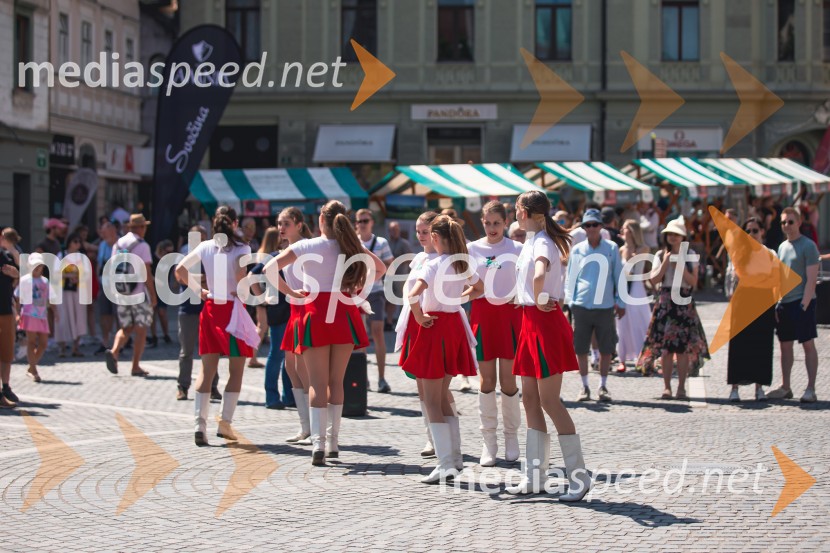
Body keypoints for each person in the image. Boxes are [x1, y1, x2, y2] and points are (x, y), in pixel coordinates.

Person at [264, 200, 386, 465]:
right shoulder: (352, 245)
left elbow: (268, 268)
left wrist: (290, 293)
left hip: (314, 312)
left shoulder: (307, 245)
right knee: (336, 383)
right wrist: (356, 289)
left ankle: (318, 444)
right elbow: (381, 268)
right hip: (342, 311)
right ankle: (332, 442)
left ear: (321, 219)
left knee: (317, 384)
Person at [507, 190, 589, 500]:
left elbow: (539, 274)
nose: (515, 214)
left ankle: (579, 477)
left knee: (549, 400)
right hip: (531, 321)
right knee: (529, 398)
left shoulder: (541, 242)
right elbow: (532, 279)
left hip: (545, 323)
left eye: (516, 210)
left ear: (525, 213)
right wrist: (526, 297)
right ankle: (535, 477)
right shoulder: (532, 240)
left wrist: (538, 296)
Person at [402, 215, 482, 483]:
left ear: (435, 238)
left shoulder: (433, 263)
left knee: (432, 400)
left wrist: (420, 316)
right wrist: (459, 298)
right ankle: (455, 457)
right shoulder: (461, 263)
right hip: (453, 328)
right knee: (443, 395)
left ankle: (445, 462)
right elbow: (479, 288)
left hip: (434, 328)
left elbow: (413, 295)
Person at [176, 206, 259, 446]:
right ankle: (225, 423)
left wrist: (200, 291)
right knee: (236, 369)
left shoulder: (204, 246)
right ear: (235, 223)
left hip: (211, 307)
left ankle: (198, 425)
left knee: (206, 370)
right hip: (232, 309)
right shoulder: (243, 248)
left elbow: (180, 269)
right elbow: (241, 277)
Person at [395, 211, 461, 459]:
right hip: (416, 321)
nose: (421, 236)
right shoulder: (420, 258)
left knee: (438, 388)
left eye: (425, 232)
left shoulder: (442, 260)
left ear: (435, 234)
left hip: (432, 321)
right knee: (423, 387)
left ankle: (447, 447)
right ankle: (434, 438)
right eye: (418, 231)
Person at [467, 201, 523, 466]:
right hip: (483, 318)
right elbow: (467, 284)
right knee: (486, 382)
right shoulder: (471, 249)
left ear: (505, 222)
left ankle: (512, 437)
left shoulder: (518, 249)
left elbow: (528, 283)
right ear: (482, 222)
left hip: (511, 319)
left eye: (497, 223)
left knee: (509, 383)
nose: (492, 228)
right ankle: (489, 442)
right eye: (487, 223)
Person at [637, 216, 710, 400]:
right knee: (666, 349)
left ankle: (682, 388)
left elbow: (693, 282)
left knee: (682, 348)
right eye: (670, 234)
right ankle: (667, 387)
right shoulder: (661, 255)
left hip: (683, 300)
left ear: (683, 237)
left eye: (676, 234)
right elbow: (652, 280)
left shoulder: (690, 255)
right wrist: (665, 264)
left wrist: (679, 267)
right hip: (666, 299)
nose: (673, 237)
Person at [565, 208, 625, 402]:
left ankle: (603, 386)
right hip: (581, 304)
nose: (591, 228)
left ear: (601, 226)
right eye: (587, 225)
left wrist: (620, 301)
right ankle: (584, 386)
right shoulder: (577, 249)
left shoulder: (611, 248)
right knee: (581, 348)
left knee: (606, 348)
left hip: (605, 304)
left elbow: (619, 275)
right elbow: (571, 277)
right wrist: (569, 301)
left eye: (594, 224)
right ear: (583, 228)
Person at [767, 207, 820, 403]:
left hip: (802, 302)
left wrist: (804, 305)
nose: (786, 225)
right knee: (785, 347)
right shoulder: (782, 247)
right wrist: (777, 303)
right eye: (783, 222)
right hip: (785, 303)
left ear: (799, 223)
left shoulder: (809, 246)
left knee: (808, 345)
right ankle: (786, 386)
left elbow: (811, 279)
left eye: (790, 221)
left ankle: (811, 388)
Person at [274, 207, 314, 440]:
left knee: (304, 369)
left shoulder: (307, 246)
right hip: (294, 310)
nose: (281, 227)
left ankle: (314, 425)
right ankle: (305, 426)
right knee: (291, 368)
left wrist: (292, 292)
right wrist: (289, 292)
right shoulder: (285, 250)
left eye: (286, 223)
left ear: (299, 225)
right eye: (279, 223)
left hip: (307, 308)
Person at [726, 218, 775, 402]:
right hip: (742, 302)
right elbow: (731, 279)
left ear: (762, 232)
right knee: (738, 346)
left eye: (755, 230)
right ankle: (735, 387)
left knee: (761, 346)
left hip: (763, 302)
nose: (751, 234)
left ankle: (759, 387)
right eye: (748, 231)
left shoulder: (770, 253)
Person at [104, 214, 157, 377]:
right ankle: (135, 366)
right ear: (141, 228)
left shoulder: (118, 244)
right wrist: (153, 294)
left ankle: (113, 351)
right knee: (141, 329)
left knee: (125, 327)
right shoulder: (142, 245)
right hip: (138, 292)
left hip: (121, 292)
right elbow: (146, 272)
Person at [176, 225, 221, 402]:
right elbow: (180, 276)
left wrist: (196, 278)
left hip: (207, 308)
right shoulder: (185, 255)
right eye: (197, 237)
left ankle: (213, 386)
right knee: (186, 351)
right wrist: (203, 278)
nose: (200, 240)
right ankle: (183, 387)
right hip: (187, 309)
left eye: (203, 237)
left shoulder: (211, 255)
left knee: (211, 350)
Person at [249, 226, 290, 409]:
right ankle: (272, 396)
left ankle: (289, 395)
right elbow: (252, 276)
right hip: (278, 310)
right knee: (277, 354)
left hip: (295, 310)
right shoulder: (273, 257)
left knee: (292, 357)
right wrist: (261, 298)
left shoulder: (301, 256)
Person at [354, 208, 394, 393]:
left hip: (375, 291)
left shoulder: (381, 242)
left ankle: (381, 378)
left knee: (377, 332)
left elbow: (390, 264)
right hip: (357, 293)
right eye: (359, 220)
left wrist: (372, 268)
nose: (362, 223)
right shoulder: (352, 241)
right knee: (361, 337)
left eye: (365, 220)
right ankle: (363, 378)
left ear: (372, 222)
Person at [615, 219, 652, 373]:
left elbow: (632, 264)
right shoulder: (620, 249)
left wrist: (629, 246)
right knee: (621, 324)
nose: (622, 230)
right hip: (623, 288)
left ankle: (642, 357)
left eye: (624, 228)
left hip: (637, 288)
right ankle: (621, 359)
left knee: (639, 322)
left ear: (631, 231)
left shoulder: (643, 248)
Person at [14, 253, 56, 383]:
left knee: (43, 343)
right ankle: (34, 369)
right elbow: (17, 297)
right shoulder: (25, 280)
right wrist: (17, 314)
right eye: (35, 267)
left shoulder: (45, 281)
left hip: (42, 315)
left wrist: (55, 311)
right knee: (31, 342)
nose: (38, 269)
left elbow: (49, 298)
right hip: (29, 314)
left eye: (40, 267)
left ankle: (31, 367)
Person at [55, 233, 88, 358]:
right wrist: (69, 276)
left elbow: (86, 273)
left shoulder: (82, 257)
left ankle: (76, 347)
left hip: (78, 291)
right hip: (63, 291)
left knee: (79, 317)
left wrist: (79, 278)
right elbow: (56, 273)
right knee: (63, 317)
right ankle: (62, 348)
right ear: (69, 242)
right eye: (75, 241)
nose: (78, 244)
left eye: (79, 241)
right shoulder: (61, 256)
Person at [0, 236, 20, 408]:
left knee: (6, 353)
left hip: (6, 309)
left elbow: (16, 278)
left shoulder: (5, 255)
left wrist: (15, 275)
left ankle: (5, 388)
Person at [385, 221, 413, 332]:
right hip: (389, 276)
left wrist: (397, 260)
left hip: (401, 276)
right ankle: (389, 322)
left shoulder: (404, 243)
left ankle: (403, 323)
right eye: (392, 230)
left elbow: (411, 258)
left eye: (396, 230)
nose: (394, 232)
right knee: (390, 300)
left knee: (402, 300)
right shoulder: (387, 243)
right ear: (389, 231)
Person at [95, 221, 118, 354]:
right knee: (104, 314)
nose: (101, 234)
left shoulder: (120, 244)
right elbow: (100, 264)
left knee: (117, 314)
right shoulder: (102, 245)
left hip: (117, 285)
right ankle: (105, 340)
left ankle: (120, 341)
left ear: (112, 230)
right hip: (104, 283)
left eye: (104, 231)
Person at [148, 240, 175, 348]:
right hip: (153, 287)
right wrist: (156, 280)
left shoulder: (168, 260)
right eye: (167, 252)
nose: (169, 254)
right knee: (152, 312)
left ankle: (166, 334)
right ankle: (154, 335)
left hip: (163, 288)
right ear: (161, 250)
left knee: (162, 311)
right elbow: (148, 272)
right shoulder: (153, 258)